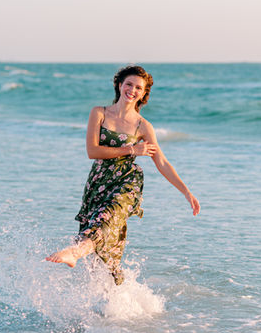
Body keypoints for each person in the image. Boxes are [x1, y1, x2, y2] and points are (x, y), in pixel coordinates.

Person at [46, 65, 200, 285]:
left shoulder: (143, 126)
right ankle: (115, 302)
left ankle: (75, 252)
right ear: (119, 85)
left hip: (127, 183)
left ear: (143, 94)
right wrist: (131, 150)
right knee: (103, 250)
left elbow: (162, 161)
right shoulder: (99, 113)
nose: (133, 90)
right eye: (129, 84)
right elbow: (93, 151)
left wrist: (187, 192)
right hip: (99, 182)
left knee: (107, 217)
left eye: (139, 87)